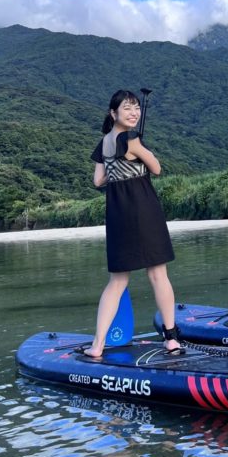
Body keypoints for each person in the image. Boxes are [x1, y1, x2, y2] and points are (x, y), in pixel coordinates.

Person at [85, 89, 181, 357]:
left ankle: (97, 344)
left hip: (117, 211)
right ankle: (171, 338)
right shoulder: (131, 138)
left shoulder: (104, 141)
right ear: (113, 112)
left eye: (136, 107)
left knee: (117, 281)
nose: (134, 112)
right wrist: (139, 150)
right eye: (127, 108)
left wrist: (120, 167)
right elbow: (157, 168)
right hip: (142, 206)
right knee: (157, 274)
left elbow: (98, 181)